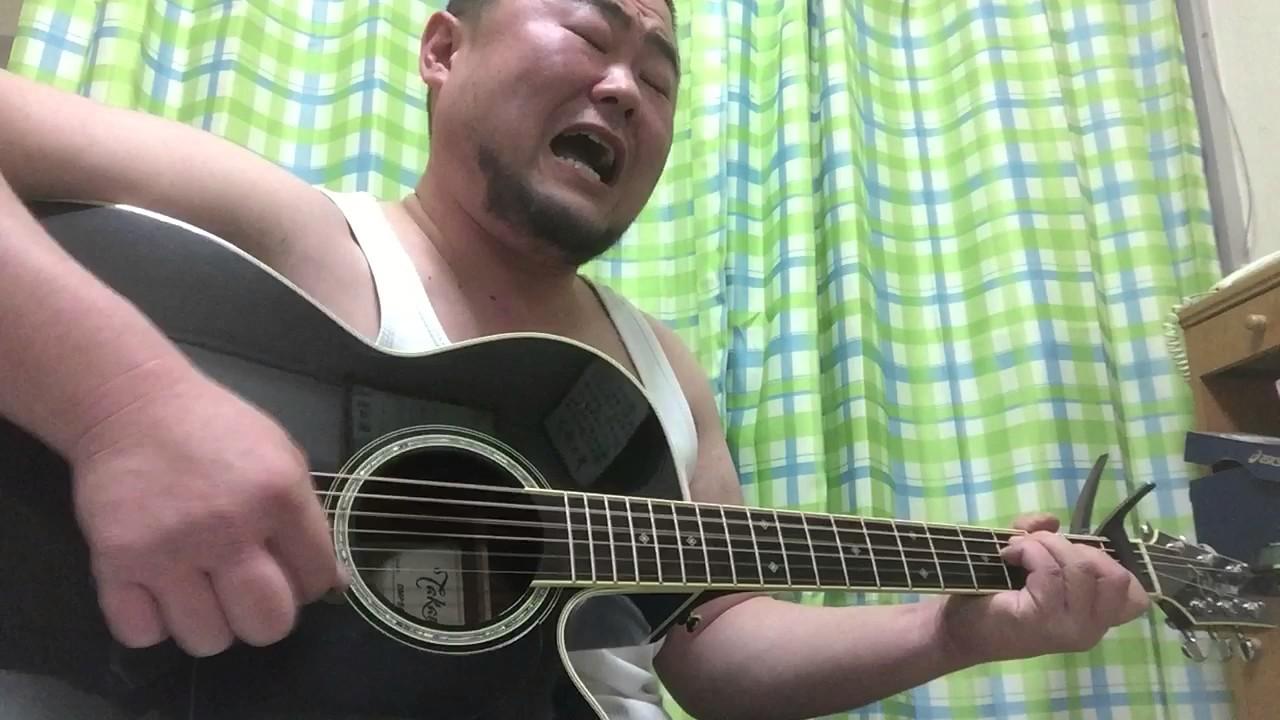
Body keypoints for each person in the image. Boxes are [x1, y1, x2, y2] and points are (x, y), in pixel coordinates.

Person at [0, 0, 1150, 718]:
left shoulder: (658, 372)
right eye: (590, 36)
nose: (622, 88)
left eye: (658, 77)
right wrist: (124, 409)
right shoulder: (293, 232)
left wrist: (956, 629)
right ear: (443, 50)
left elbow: (707, 642)